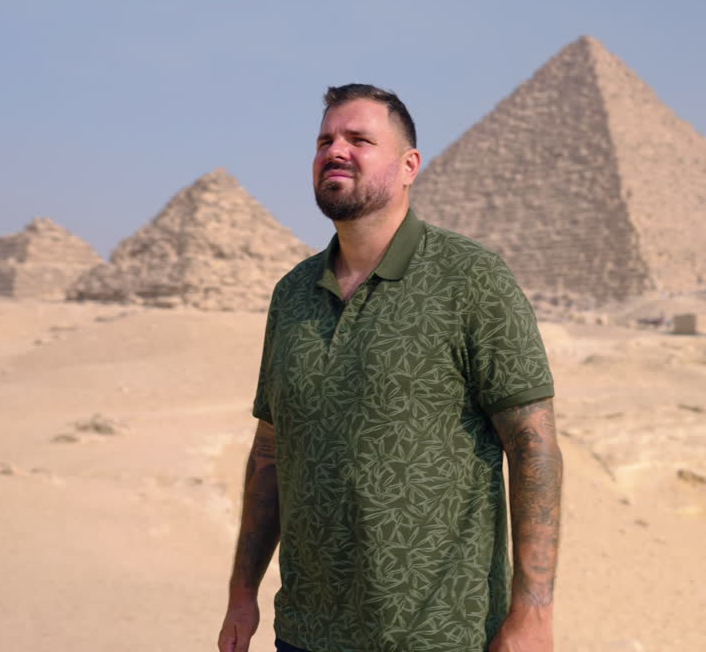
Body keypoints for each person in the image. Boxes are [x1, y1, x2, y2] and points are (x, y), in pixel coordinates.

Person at [217, 84, 562, 652]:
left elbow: (534, 446)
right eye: (325, 139)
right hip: (306, 633)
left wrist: (534, 610)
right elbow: (270, 452)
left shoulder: (472, 279)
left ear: (409, 167)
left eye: (359, 139)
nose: (336, 150)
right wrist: (241, 593)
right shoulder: (292, 295)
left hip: (440, 633)